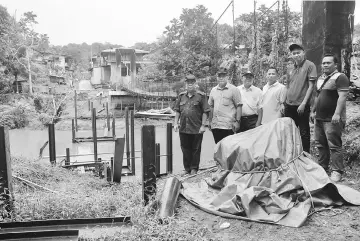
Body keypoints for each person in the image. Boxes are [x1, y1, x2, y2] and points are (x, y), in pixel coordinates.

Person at [310, 53, 350, 182]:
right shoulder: (321, 78)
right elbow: (317, 96)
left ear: (335, 64)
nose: (325, 65)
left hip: (332, 118)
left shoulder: (340, 77)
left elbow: (342, 97)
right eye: (324, 63)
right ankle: (322, 167)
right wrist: (313, 111)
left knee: (334, 145)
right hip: (319, 118)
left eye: (328, 63)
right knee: (320, 144)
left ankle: (337, 171)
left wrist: (337, 114)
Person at [174, 74, 210, 175]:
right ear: (185, 84)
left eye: (192, 83)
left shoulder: (201, 96)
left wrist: (203, 125)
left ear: (195, 84)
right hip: (184, 127)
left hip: (196, 128)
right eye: (188, 83)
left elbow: (205, 111)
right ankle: (187, 168)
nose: (190, 85)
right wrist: (175, 123)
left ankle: (194, 168)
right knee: (185, 148)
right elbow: (177, 111)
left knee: (196, 149)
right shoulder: (181, 96)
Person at [285, 43, 317, 153]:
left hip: (301, 105)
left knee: (304, 132)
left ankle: (306, 154)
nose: (296, 55)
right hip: (289, 105)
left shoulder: (310, 65)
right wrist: (284, 102)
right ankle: (292, 153)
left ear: (303, 53)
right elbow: (288, 86)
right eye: (294, 53)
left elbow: (311, 86)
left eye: (298, 52)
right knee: (290, 131)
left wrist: (303, 103)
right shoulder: (291, 67)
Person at [208, 68, 242, 143]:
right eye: (219, 76)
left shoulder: (234, 89)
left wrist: (237, 122)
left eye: (223, 76)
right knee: (218, 148)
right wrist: (210, 121)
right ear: (217, 77)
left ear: (227, 77)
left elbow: (239, 106)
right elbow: (211, 107)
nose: (221, 78)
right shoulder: (213, 90)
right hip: (216, 125)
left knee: (228, 150)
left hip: (229, 126)